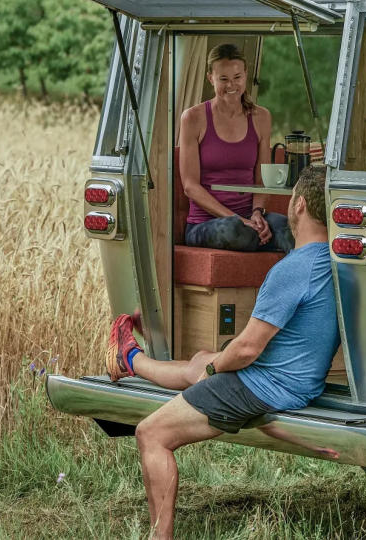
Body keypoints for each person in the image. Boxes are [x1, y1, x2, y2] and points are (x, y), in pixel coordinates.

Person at [106, 165, 338, 540]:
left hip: (265, 386)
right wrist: (211, 365)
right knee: (200, 358)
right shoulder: (333, 261)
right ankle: (129, 358)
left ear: (297, 206)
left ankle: (158, 537)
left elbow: (247, 349)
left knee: (151, 433)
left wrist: (215, 371)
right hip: (297, 379)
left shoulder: (293, 269)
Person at [179, 43, 293, 253]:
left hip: (249, 220)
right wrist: (240, 220)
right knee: (233, 229)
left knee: (293, 229)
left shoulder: (261, 117)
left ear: (246, 75)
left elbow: (261, 179)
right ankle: (260, 239)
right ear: (210, 78)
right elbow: (190, 186)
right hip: (206, 224)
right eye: (223, 79)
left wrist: (257, 213)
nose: (231, 85)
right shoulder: (193, 118)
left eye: (237, 77)